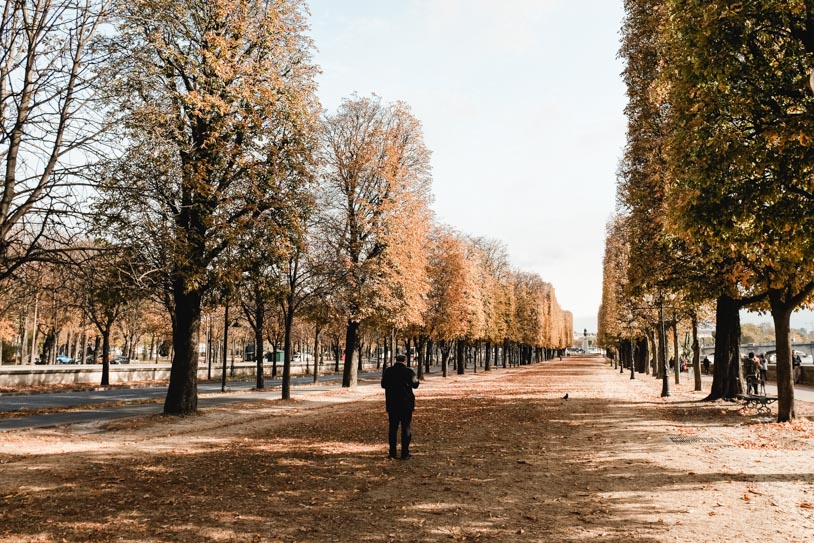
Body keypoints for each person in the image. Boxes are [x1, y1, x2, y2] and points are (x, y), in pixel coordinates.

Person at [381, 354, 419, 459]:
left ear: (396, 360)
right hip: (406, 404)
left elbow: (383, 384)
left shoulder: (388, 371)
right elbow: (415, 384)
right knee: (406, 428)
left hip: (392, 403)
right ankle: (405, 453)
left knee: (393, 428)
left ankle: (392, 452)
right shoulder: (408, 371)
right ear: (405, 361)